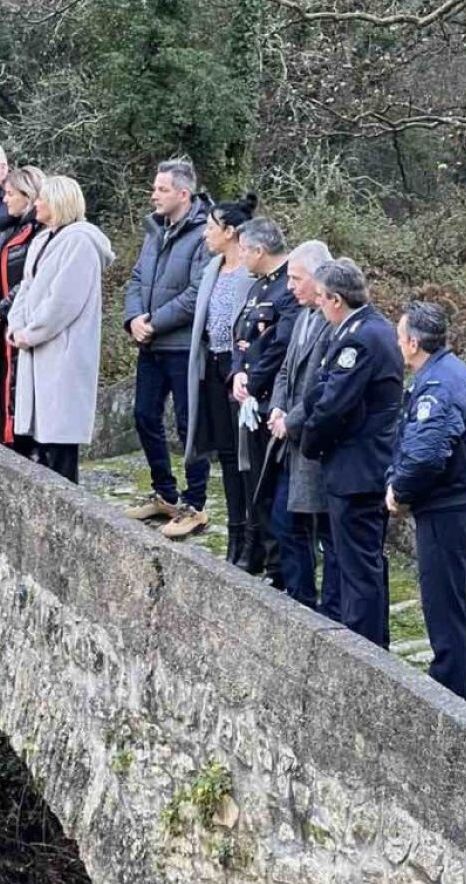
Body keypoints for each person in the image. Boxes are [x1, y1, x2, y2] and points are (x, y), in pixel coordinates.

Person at [387, 301, 466, 702]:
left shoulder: (438, 386)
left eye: (399, 338)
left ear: (413, 343)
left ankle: (451, 700)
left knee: (443, 608)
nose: (397, 345)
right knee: (449, 604)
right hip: (461, 505)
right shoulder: (452, 371)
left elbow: (428, 453)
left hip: (448, 511)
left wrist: (399, 490)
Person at [302, 258, 403, 649]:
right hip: (361, 465)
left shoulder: (360, 338)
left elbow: (332, 405)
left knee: (358, 567)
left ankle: (366, 651)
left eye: (322, 299)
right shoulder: (368, 328)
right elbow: (321, 389)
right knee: (361, 563)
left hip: (358, 468)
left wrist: (310, 442)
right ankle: (372, 642)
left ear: (336, 300)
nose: (320, 307)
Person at [122, 159, 213, 533]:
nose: (153, 194)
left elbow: (197, 294)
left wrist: (154, 322)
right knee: (144, 415)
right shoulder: (154, 230)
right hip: (151, 345)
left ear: (183, 194)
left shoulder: (205, 233)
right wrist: (133, 320)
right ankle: (164, 493)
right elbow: (137, 277)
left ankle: (195, 503)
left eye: (161, 189)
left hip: (182, 347)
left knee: (189, 425)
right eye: (154, 188)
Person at [7, 176, 115, 483]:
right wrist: (16, 324)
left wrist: (31, 332)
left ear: (58, 202)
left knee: (60, 439)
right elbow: (26, 287)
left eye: (41, 198)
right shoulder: (42, 239)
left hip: (61, 351)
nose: (36, 203)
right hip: (36, 349)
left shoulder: (80, 241)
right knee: (41, 437)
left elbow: (64, 301)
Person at [182, 195, 258, 555]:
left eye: (211, 227)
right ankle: (235, 531)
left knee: (245, 456)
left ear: (230, 232)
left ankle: (252, 537)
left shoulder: (250, 271)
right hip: (213, 366)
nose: (205, 235)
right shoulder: (213, 268)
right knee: (227, 454)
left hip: (238, 367)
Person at [268, 240, 339, 611]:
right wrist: (278, 408)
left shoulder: (332, 324)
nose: (290, 287)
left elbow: (320, 387)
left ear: (318, 278)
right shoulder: (302, 317)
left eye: (296, 279)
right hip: (289, 439)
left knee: (318, 529)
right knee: (284, 521)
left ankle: (322, 608)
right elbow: (286, 369)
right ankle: (299, 599)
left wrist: (291, 421)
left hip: (313, 442)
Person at [229, 217, 295, 583]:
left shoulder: (288, 287)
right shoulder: (258, 288)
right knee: (254, 482)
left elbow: (278, 346)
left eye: (243, 250)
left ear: (258, 250)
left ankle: (278, 566)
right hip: (250, 398)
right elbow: (242, 337)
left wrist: (252, 381)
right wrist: (237, 373)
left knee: (270, 487)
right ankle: (268, 558)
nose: (240, 257)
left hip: (271, 401)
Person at [0, 165, 46, 454]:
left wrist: (4, 307)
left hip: (23, 323)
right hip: (2, 324)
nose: (5, 200)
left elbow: (30, 279)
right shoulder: (6, 231)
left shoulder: (39, 233)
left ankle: (22, 448)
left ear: (28, 195)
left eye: (10, 194)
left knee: (19, 392)